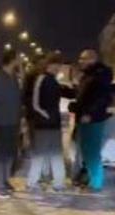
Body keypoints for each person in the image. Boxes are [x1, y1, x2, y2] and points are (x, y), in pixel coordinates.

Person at [69, 49, 114, 193]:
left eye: (84, 59)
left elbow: (103, 98)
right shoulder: (88, 75)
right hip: (84, 117)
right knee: (86, 151)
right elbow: (82, 95)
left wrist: (89, 113)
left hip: (93, 119)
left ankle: (96, 184)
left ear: (93, 59)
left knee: (92, 152)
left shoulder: (100, 75)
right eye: (80, 59)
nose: (80, 61)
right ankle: (92, 180)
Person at [26, 52, 67, 193]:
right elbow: (35, 103)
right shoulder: (41, 79)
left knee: (56, 155)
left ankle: (59, 183)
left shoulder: (54, 81)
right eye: (57, 66)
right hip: (43, 125)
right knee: (40, 155)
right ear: (50, 65)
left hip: (53, 124)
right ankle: (32, 182)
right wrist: (46, 116)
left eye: (59, 66)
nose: (58, 69)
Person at [0, 49, 23, 199]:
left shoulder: (13, 77)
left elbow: (18, 99)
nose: (20, 61)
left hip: (13, 121)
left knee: (11, 154)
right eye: (18, 59)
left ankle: (5, 180)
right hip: (2, 122)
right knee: (2, 154)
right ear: (12, 60)